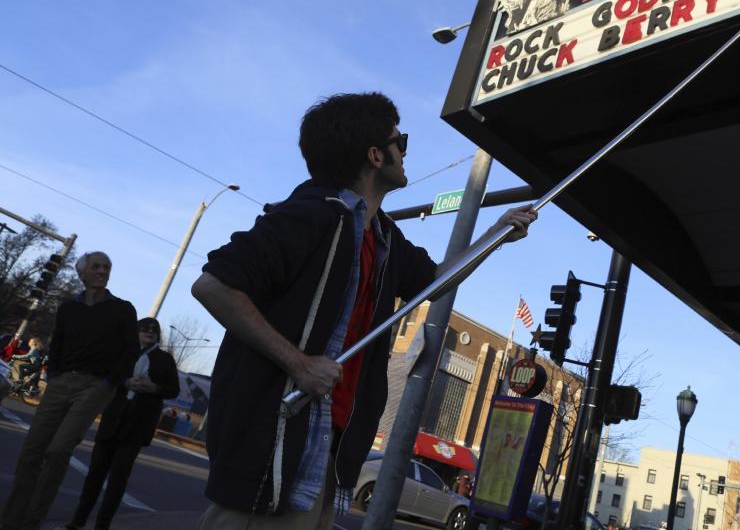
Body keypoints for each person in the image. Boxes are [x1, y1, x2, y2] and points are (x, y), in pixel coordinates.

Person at [191, 92, 537, 530]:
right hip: (274, 444)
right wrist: (298, 364)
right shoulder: (311, 215)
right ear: (376, 155)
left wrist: (497, 234)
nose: (405, 152)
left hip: (330, 448)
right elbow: (214, 285)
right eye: (401, 142)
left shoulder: (385, 236)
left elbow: (435, 281)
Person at [0, 252, 139, 530]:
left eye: (106, 267)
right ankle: (11, 521)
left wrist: (107, 383)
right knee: (31, 453)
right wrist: (54, 376)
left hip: (94, 387)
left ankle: (32, 520)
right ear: (82, 274)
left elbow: (130, 352)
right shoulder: (67, 308)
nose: (102, 271)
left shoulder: (123, 309)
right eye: (96, 266)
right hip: (61, 383)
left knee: (58, 450)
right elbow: (58, 344)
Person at [65, 317, 179, 530]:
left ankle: (102, 525)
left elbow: (173, 389)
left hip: (137, 425)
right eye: (145, 328)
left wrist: (154, 388)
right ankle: (78, 521)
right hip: (112, 421)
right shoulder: (125, 353)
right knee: (95, 474)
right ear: (136, 332)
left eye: (154, 330)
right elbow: (110, 375)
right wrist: (127, 382)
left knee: (118, 479)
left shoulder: (164, 359)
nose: (150, 332)